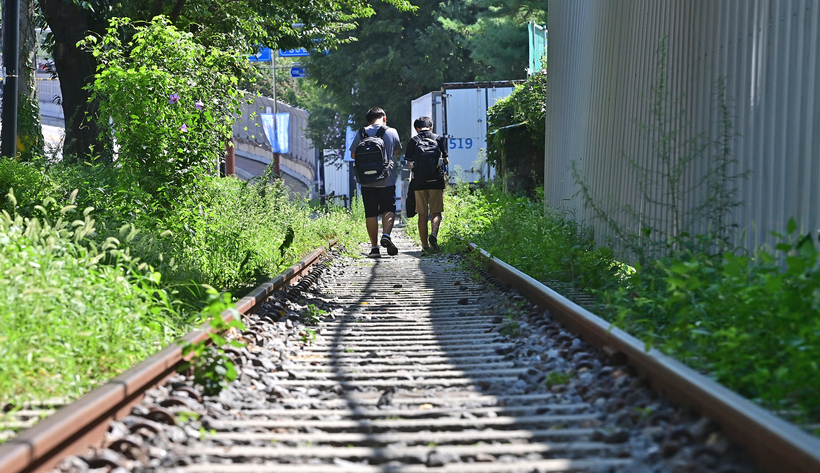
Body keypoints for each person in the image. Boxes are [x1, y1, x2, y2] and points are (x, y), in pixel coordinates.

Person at [349, 107, 403, 258]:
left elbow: (353, 155)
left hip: (366, 180)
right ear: (384, 118)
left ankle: (374, 248)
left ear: (369, 120)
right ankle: (386, 235)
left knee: (370, 212)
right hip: (386, 179)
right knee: (388, 208)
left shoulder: (361, 132)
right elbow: (396, 152)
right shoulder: (392, 131)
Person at [405, 116, 448, 256]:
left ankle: (424, 247)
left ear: (416, 129)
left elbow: (410, 164)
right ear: (431, 126)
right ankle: (434, 234)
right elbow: (446, 160)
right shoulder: (438, 139)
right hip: (436, 180)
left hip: (419, 182)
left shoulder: (413, 141)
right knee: (436, 213)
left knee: (422, 215)